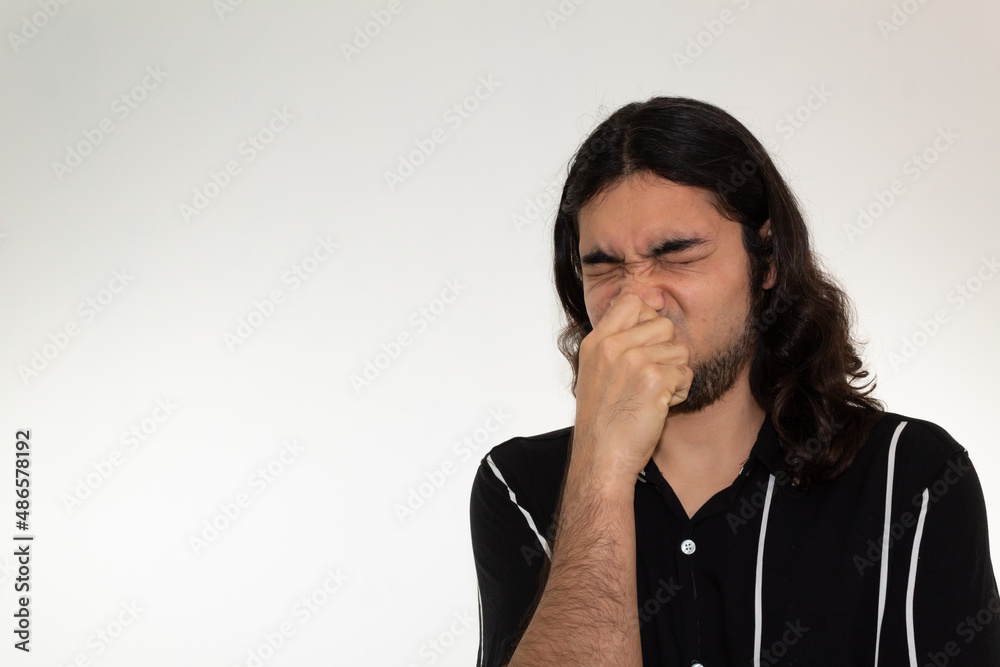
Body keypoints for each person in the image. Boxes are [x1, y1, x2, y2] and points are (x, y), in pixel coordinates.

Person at [469, 96, 1000, 666]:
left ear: (766, 261)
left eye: (677, 254)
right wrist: (602, 467)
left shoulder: (910, 477)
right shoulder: (519, 486)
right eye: (605, 266)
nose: (638, 299)